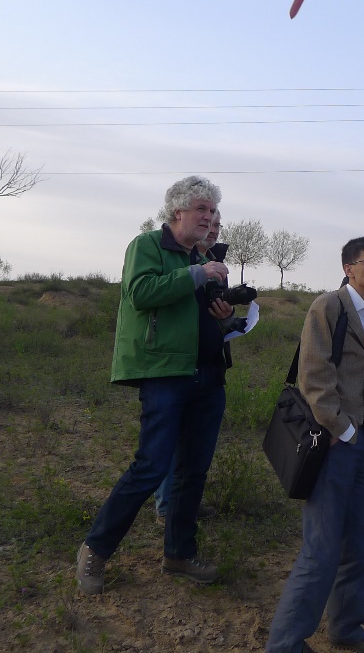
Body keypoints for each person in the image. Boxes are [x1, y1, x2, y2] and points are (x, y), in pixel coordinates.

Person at [75, 176, 233, 594]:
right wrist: (198, 273)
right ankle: (95, 549)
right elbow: (141, 293)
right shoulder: (147, 245)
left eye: (213, 210)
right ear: (177, 210)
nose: (209, 217)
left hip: (208, 374)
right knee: (151, 466)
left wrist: (223, 316)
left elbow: (195, 313)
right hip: (166, 372)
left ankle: (179, 553)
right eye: (201, 209)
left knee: (193, 471)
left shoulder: (200, 256)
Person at [266, 237, 364, 653]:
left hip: (363, 442)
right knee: (320, 549)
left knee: (361, 546)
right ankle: (285, 643)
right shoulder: (328, 307)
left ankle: (347, 628)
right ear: (348, 268)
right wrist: (342, 429)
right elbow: (314, 376)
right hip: (336, 442)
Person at [153, 209, 238, 523]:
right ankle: (166, 507)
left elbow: (215, 313)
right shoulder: (171, 258)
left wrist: (228, 316)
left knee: (196, 443)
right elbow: (154, 298)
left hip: (210, 365)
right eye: (208, 223)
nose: (213, 229)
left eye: (218, 225)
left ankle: (185, 503)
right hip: (175, 365)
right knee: (170, 439)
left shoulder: (217, 264)